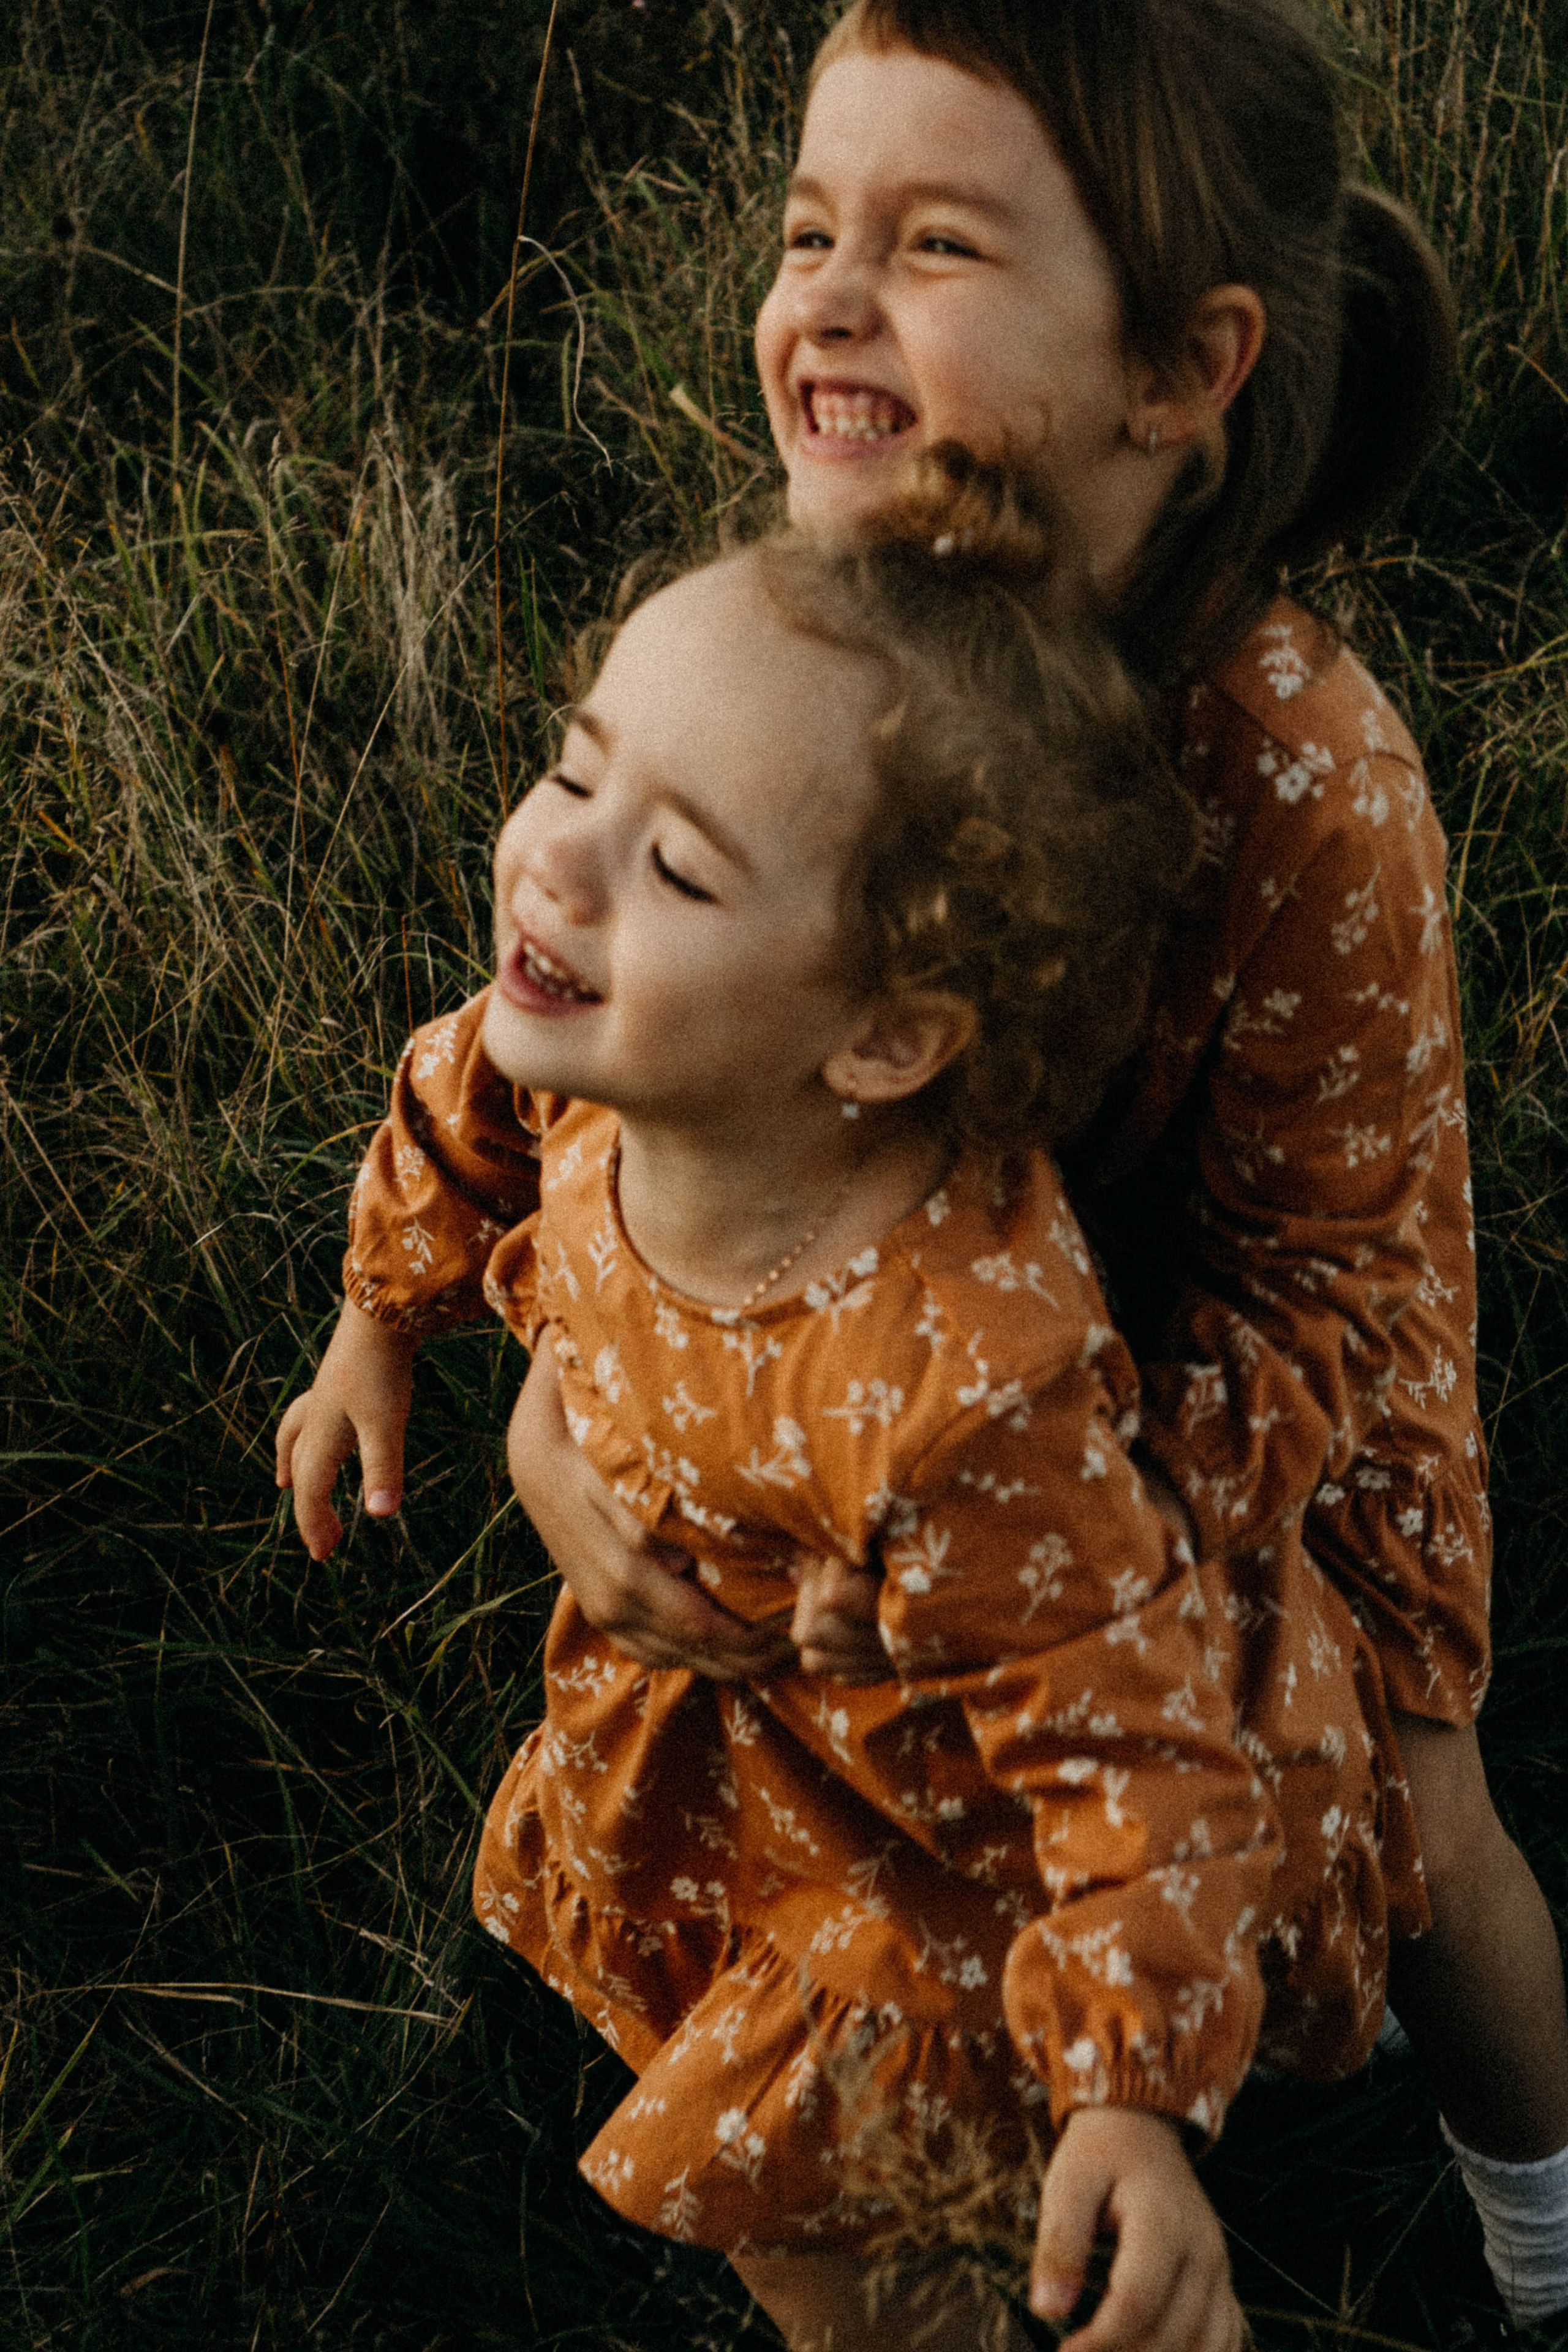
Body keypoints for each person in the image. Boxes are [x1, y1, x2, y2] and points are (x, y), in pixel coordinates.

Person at [292, 0, 1568, 2326]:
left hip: (1219, 1393)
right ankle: (958, 2127)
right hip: (851, 1351)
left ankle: (1538, 2208)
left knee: (1417, 1816)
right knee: (841, 1814)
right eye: (808, 227)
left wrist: (1021, 1525)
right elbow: (570, 1063)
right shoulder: (818, 630)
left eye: (939, 241)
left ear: (1179, 372)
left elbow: (1319, 1298)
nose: (825, 300)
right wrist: (536, 1385)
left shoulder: (1305, 785)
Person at [279, 464, 1420, 2352]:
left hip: (925, 1837)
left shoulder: (959, 1373)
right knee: (765, 2140)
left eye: (679, 864)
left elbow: (1123, 1741)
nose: (555, 862)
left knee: (820, 2247)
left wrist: (1130, 2100)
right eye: (577, 773)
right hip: (732, 1745)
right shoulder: (607, 1052)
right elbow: (458, 1110)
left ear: (883, 1038)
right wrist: (374, 1333)